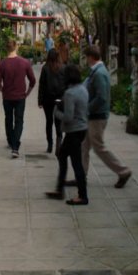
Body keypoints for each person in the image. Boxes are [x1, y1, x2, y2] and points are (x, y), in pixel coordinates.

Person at [79, 45, 132, 188]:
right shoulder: (96, 71)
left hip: (97, 116)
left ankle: (123, 171)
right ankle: (81, 176)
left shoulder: (99, 73)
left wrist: (87, 109)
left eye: (86, 57)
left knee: (99, 147)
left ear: (90, 57)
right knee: (84, 145)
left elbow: (101, 97)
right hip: (94, 115)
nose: (85, 60)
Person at [46, 64, 89, 205]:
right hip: (82, 128)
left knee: (76, 163)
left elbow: (68, 117)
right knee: (63, 156)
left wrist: (56, 112)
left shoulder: (70, 93)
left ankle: (82, 196)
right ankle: (59, 189)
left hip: (73, 131)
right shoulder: (83, 89)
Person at [0, 39, 36, 158]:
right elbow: (32, 80)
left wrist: (3, 89)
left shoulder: (1, 64)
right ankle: (15, 146)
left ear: (6, 49)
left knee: (8, 118)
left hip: (7, 96)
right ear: (16, 47)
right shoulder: (25, 62)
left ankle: (10, 140)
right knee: (19, 120)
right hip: (20, 96)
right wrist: (27, 92)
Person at [38, 49, 65, 154]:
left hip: (47, 99)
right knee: (58, 122)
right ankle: (59, 141)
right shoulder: (62, 68)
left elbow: (42, 85)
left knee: (49, 122)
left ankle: (50, 144)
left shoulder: (45, 68)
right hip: (60, 99)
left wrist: (40, 100)